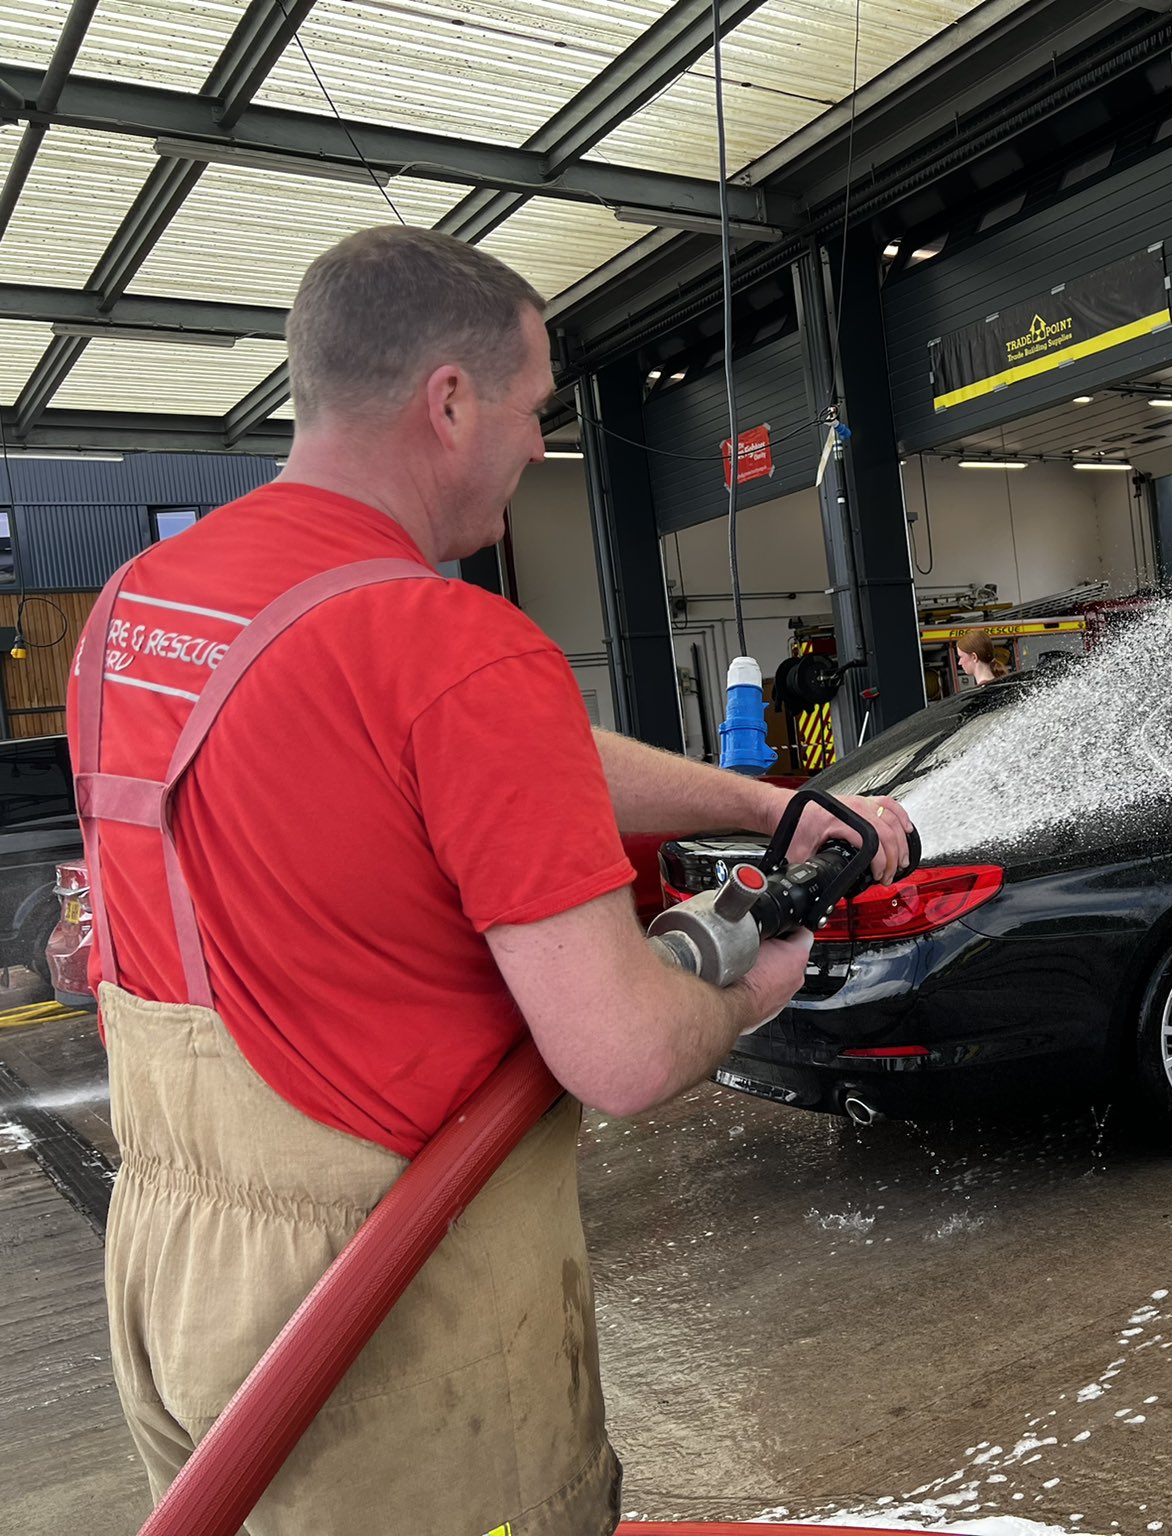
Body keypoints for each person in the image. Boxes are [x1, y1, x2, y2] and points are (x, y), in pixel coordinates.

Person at [70, 226, 914, 1536]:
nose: (537, 445)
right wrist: (752, 983)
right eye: (531, 411)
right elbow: (622, 1053)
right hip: (388, 1317)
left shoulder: (136, 608)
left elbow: (493, 757)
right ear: (448, 400)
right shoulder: (454, 642)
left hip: (170, 1278)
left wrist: (765, 804)